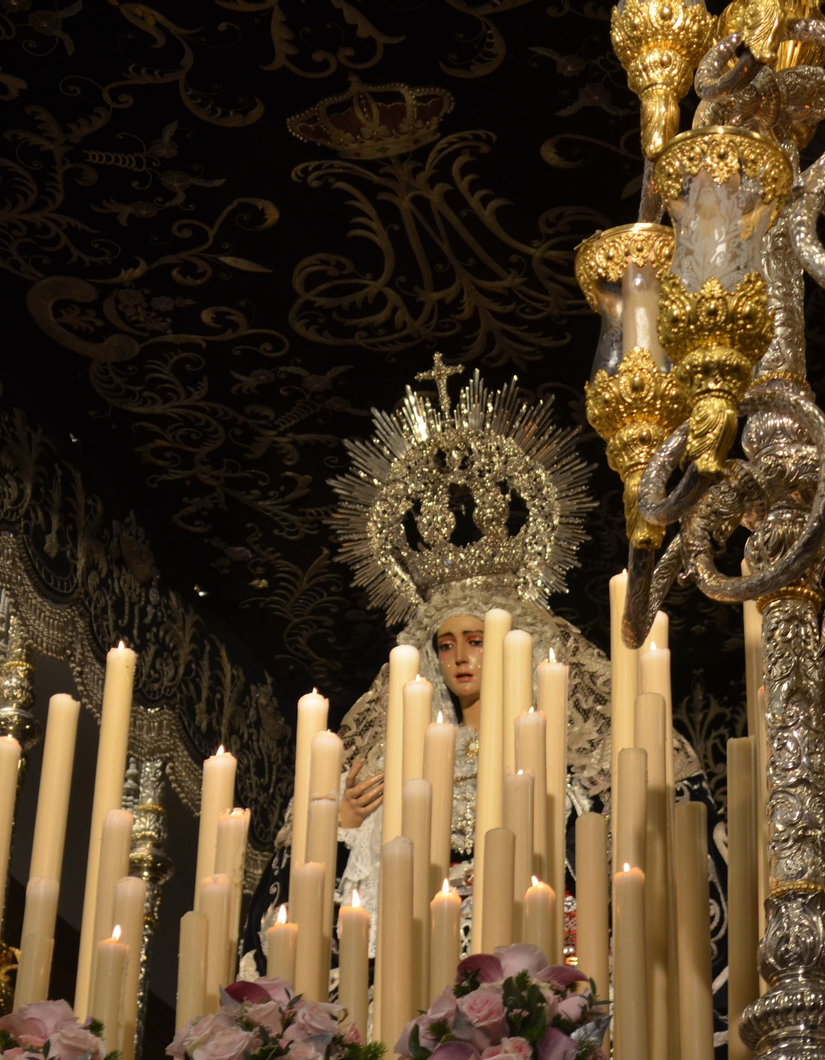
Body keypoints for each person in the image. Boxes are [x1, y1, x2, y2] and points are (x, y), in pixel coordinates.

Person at [241, 367, 728, 1043]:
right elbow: (327, 896)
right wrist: (341, 823)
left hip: (526, 966)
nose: (461, 657)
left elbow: (603, 857)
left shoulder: (557, 750)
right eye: (445, 644)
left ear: (513, 648)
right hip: (408, 970)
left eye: (475, 639)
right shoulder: (398, 753)